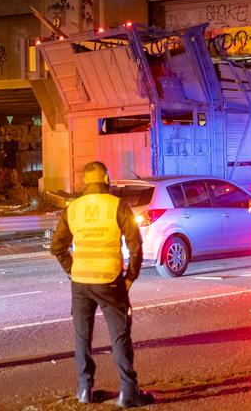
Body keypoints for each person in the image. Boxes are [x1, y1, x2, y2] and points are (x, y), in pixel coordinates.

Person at [50, 161, 154, 408]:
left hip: (80, 282)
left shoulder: (73, 208)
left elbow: (57, 246)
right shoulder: (117, 205)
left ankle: (84, 390)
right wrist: (130, 277)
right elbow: (135, 246)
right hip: (110, 282)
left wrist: (72, 269)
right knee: (120, 337)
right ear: (106, 180)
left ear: (85, 182)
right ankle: (128, 392)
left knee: (82, 338)